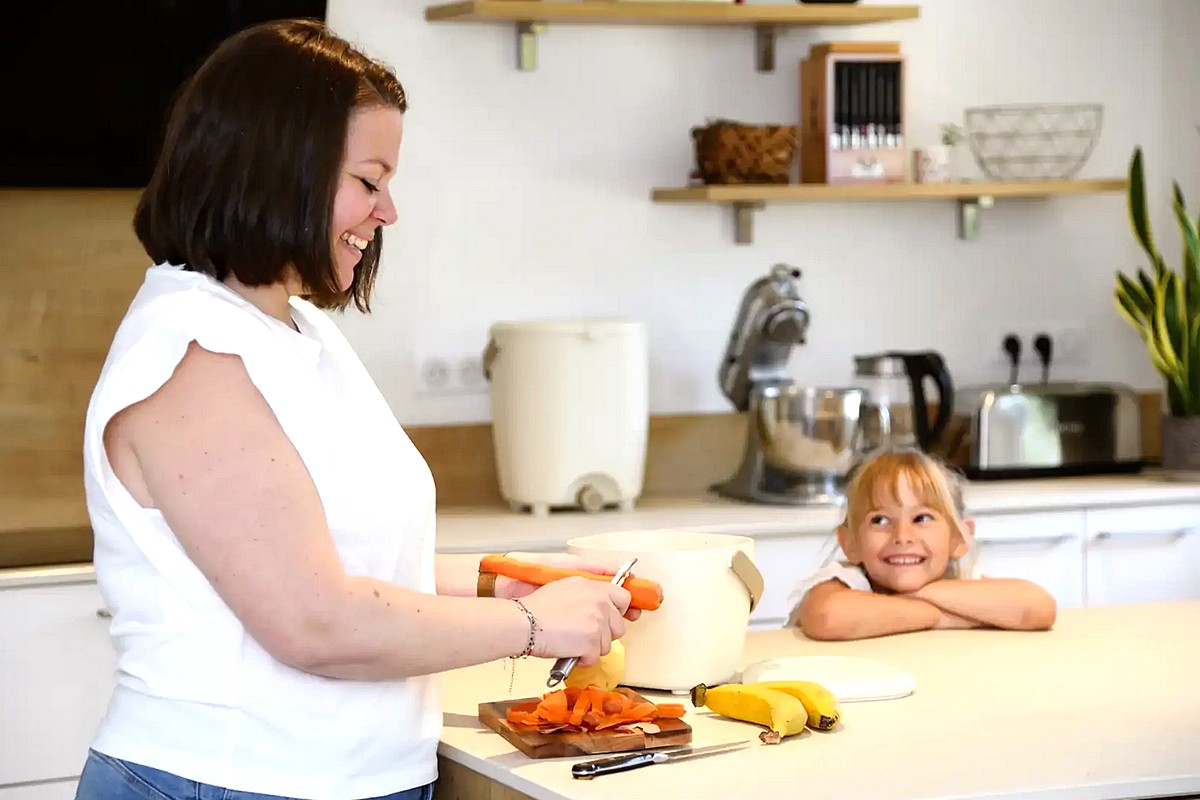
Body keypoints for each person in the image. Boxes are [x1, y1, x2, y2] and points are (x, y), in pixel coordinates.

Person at [76, 19, 643, 800]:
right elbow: (316, 622)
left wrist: (493, 584)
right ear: (279, 170)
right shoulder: (194, 356)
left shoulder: (295, 328)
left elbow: (337, 561)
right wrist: (535, 627)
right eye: (369, 181)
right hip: (225, 782)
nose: (388, 213)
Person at [788, 447, 1057, 641]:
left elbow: (1038, 608)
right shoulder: (847, 580)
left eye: (922, 518)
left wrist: (919, 599)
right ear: (850, 543)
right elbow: (828, 617)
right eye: (880, 520)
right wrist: (941, 617)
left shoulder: (959, 577)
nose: (902, 536)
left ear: (960, 538)